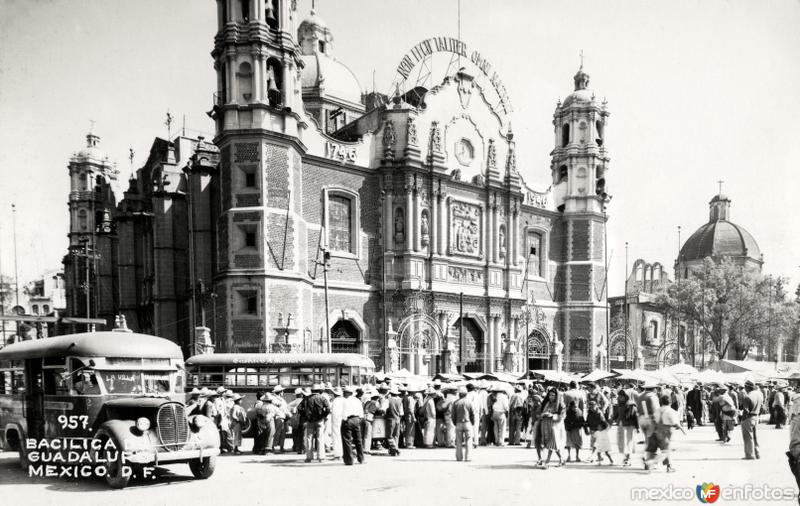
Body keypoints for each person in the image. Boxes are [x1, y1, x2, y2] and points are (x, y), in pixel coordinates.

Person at [645, 394, 686, 472]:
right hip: (666, 431)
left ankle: (650, 462)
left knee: (654, 449)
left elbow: (653, 420)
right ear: (670, 402)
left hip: (656, 430)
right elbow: (674, 422)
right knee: (666, 449)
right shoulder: (671, 411)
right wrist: (682, 429)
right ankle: (667, 466)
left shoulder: (657, 410)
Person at [300, 383, 331, 463]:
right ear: (319, 390)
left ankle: (309, 457)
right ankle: (321, 457)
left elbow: (299, 408)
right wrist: (323, 416)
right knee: (320, 438)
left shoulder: (307, 399)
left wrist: (305, 416)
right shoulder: (322, 398)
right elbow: (328, 408)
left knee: (309, 438)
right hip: (320, 420)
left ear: (312, 390)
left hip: (310, 421)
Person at [538, 387, 566, 467]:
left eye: (553, 395)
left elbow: (562, 416)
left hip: (556, 426)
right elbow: (542, 412)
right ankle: (562, 459)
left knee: (552, 443)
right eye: (550, 395)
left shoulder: (561, 404)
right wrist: (543, 414)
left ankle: (547, 462)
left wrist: (552, 415)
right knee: (553, 445)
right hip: (546, 425)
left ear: (556, 396)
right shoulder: (547, 403)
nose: (551, 397)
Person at [451, 386, 477, 461]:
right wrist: (472, 423)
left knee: (458, 441)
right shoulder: (470, 402)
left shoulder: (455, 403)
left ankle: (459, 457)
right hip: (468, 423)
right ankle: (468, 457)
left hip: (458, 423)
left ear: (459, 394)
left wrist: (455, 423)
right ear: (466, 394)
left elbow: (453, 415)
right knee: (469, 441)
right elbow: (473, 414)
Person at [341, 386, 365, 465]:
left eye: (345, 392)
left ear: (348, 393)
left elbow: (344, 412)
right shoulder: (357, 400)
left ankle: (349, 460)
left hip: (348, 419)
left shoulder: (345, 401)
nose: (343, 393)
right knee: (358, 440)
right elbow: (361, 412)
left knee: (347, 440)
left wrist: (344, 420)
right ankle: (361, 458)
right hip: (357, 419)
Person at [615, 388, 639, 467]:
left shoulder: (631, 405)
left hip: (629, 426)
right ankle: (625, 458)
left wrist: (637, 427)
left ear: (626, 396)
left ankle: (627, 459)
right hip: (621, 425)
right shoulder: (619, 404)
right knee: (621, 442)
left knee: (628, 442)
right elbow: (617, 414)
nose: (620, 397)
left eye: (622, 396)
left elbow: (635, 416)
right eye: (619, 396)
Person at [586, 399, 613, 465]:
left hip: (599, 430)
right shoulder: (589, 412)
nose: (591, 408)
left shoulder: (599, 413)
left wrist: (604, 427)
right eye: (590, 406)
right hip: (594, 430)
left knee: (597, 445)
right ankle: (596, 457)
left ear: (595, 406)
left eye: (592, 406)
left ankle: (593, 457)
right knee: (594, 445)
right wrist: (587, 428)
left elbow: (603, 421)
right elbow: (588, 421)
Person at [741, 380, 763, 460]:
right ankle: (757, 453)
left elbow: (746, 410)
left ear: (747, 387)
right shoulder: (759, 395)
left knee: (748, 437)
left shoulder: (748, 396)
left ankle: (749, 455)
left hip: (748, 418)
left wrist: (743, 419)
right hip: (756, 417)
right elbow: (762, 408)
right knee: (755, 437)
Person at [385, 386, 404, 456]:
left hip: (390, 419)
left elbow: (383, 409)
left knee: (389, 436)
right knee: (396, 436)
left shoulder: (388, 400)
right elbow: (401, 413)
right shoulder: (400, 401)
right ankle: (394, 451)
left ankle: (395, 449)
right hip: (398, 419)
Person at [288, 388, 306, 454]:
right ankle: (302, 447)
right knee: (302, 434)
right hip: (302, 419)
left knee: (295, 434)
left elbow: (287, 408)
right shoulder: (304, 400)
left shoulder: (294, 402)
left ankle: (296, 446)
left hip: (295, 420)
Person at [329, 386, 345, 459]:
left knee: (336, 437)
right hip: (344, 420)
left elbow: (334, 412)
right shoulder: (344, 400)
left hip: (336, 421)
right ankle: (343, 453)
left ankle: (337, 454)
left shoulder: (335, 401)